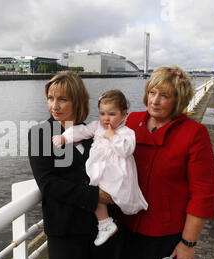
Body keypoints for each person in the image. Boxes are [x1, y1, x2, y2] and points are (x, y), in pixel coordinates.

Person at [114, 66, 214, 259]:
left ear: (179, 100)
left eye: (164, 96)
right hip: (127, 230)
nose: (155, 100)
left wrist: (188, 243)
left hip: (167, 238)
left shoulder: (194, 134)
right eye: (152, 92)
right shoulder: (132, 122)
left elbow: (204, 194)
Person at [27, 71, 116, 259]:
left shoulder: (90, 132)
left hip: (98, 227)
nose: (54, 105)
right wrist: (96, 196)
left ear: (77, 102)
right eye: (50, 98)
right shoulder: (41, 133)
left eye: (62, 99)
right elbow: (48, 183)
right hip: (65, 231)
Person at [52, 90, 148, 247]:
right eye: (102, 113)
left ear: (124, 114)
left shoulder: (126, 132)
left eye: (112, 114)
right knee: (95, 194)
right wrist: (65, 137)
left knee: (110, 196)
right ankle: (104, 224)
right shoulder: (97, 127)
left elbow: (126, 150)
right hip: (99, 170)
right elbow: (81, 131)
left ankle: (107, 224)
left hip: (116, 174)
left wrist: (112, 136)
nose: (106, 118)